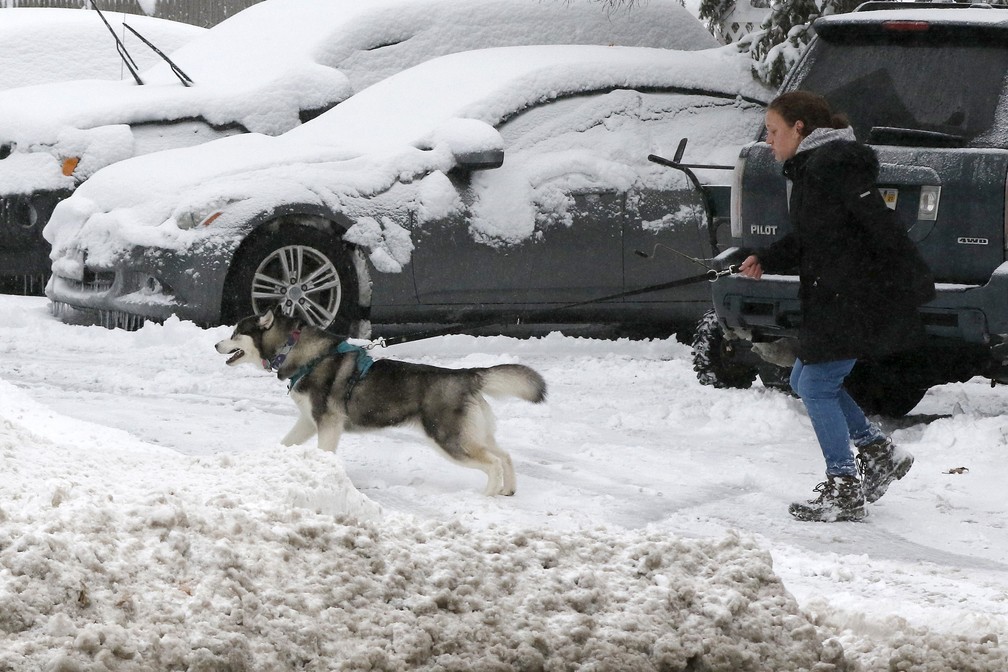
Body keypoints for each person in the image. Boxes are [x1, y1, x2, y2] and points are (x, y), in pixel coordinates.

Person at [738, 91, 935, 522]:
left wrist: (908, 280)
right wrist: (767, 257)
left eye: (773, 131)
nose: (768, 140)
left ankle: (845, 486)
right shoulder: (815, 168)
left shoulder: (833, 169)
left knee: (815, 386)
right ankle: (877, 452)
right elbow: (816, 236)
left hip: (851, 297)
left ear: (800, 129)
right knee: (804, 376)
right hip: (834, 294)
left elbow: (880, 227)